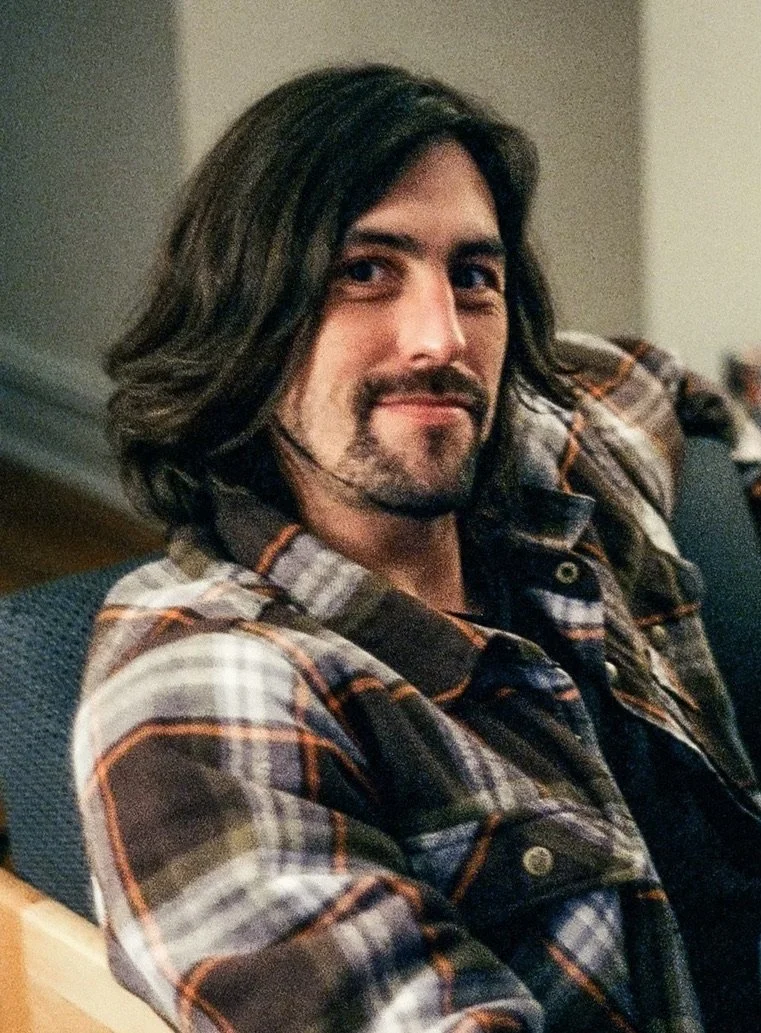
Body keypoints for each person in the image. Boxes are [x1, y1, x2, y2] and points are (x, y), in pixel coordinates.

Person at [73, 64, 761, 1033]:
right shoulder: (204, 696)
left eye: (471, 276)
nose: (441, 339)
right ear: (243, 316)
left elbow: (661, 383)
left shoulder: (547, 459)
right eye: (365, 271)